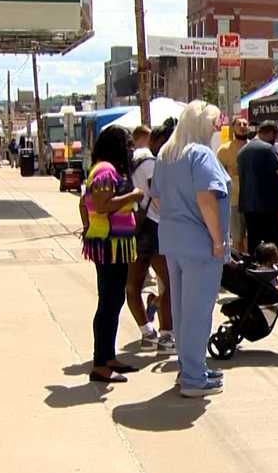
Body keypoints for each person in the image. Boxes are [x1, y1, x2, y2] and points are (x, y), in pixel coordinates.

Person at [150, 101, 229, 398]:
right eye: (214, 123)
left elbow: (156, 199)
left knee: (183, 309)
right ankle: (194, 378)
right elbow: (207, 199)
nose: (216, 128)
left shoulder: (167, 155)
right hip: (200, 244)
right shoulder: (201, 155)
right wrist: (218, 240)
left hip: (173, 240)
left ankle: (189, 367)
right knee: (198, 312)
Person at [79, 125, 143, 384]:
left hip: (114, 244)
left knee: (114, 301)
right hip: (108, 245)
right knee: (108, 303)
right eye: (128, 144)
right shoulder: (105, 170)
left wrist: (87, 226)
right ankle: (100, 365)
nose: (131, 149)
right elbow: (102, 206)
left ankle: (109, 358)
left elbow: (83, 203)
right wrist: (134, 195)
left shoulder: (106, 170)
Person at [126, 121, 175, 355]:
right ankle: (167, 336)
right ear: (157, 141)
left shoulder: (128, 163)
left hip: (133, 227)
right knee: (170, 283)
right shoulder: (150, 164)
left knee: (133, 285)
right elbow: (158, 198)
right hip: (153, 227)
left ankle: (147, 333)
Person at [237, 120, 278, 251]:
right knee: (271, 247)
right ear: (272, 133)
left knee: (254, 244)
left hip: (248, 206)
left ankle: (254, 270)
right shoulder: (268, 149)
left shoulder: (242, 151)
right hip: (268, 206)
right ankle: (268, 270)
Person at [216, 118, 251, 253]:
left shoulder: (254, 147)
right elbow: (218, 175)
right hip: (234, 201)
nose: (242, 126)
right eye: (239, 124)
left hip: (253, 201)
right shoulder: (224, 150)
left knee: (252, 238)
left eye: (245, 124)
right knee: (237, 238)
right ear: (233, 127)